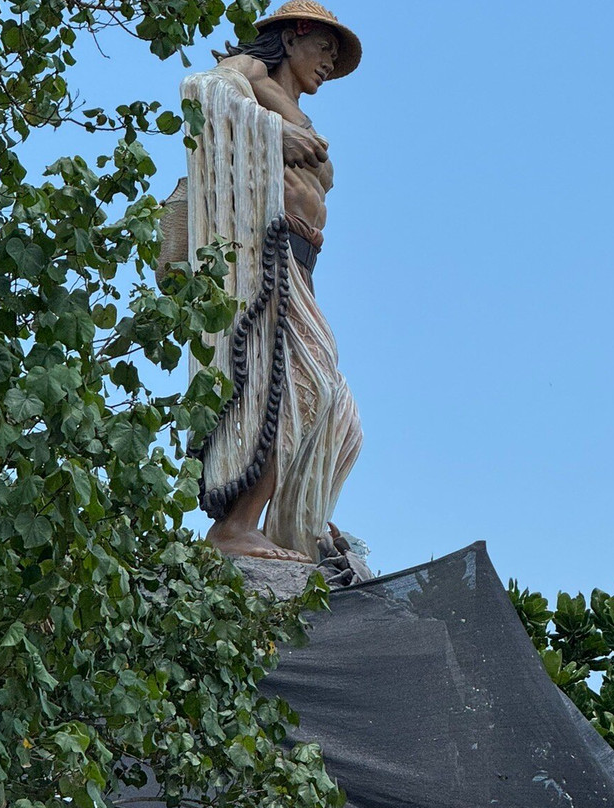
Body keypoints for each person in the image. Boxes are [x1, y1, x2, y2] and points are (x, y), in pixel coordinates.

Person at [182, 1, 362, 563]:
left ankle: (301, 527)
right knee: (295, 386)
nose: (329, 63)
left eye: (336, 55)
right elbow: (201, 91)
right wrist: (273, 132)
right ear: (291, 39)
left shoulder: (298, 105)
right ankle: (236, 525)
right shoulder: (252, 74)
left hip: (303, 264)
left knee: (340, 413)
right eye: (324, 48)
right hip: (263, 257)